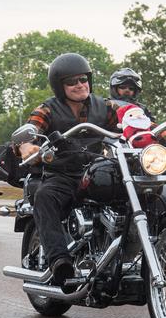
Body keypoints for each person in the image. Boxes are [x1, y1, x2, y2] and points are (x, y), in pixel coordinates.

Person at [17, 53, 119, 292]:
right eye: (71, 82)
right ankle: (59, 261)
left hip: (98, 172)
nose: (79, 85)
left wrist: (161, 136)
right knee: (45, 196)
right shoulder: (48, 110)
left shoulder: (104, 106)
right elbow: (31, 129)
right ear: (60, 86)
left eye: (83, 79)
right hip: (63, 175)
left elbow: (131, 123)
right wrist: (26, 146)